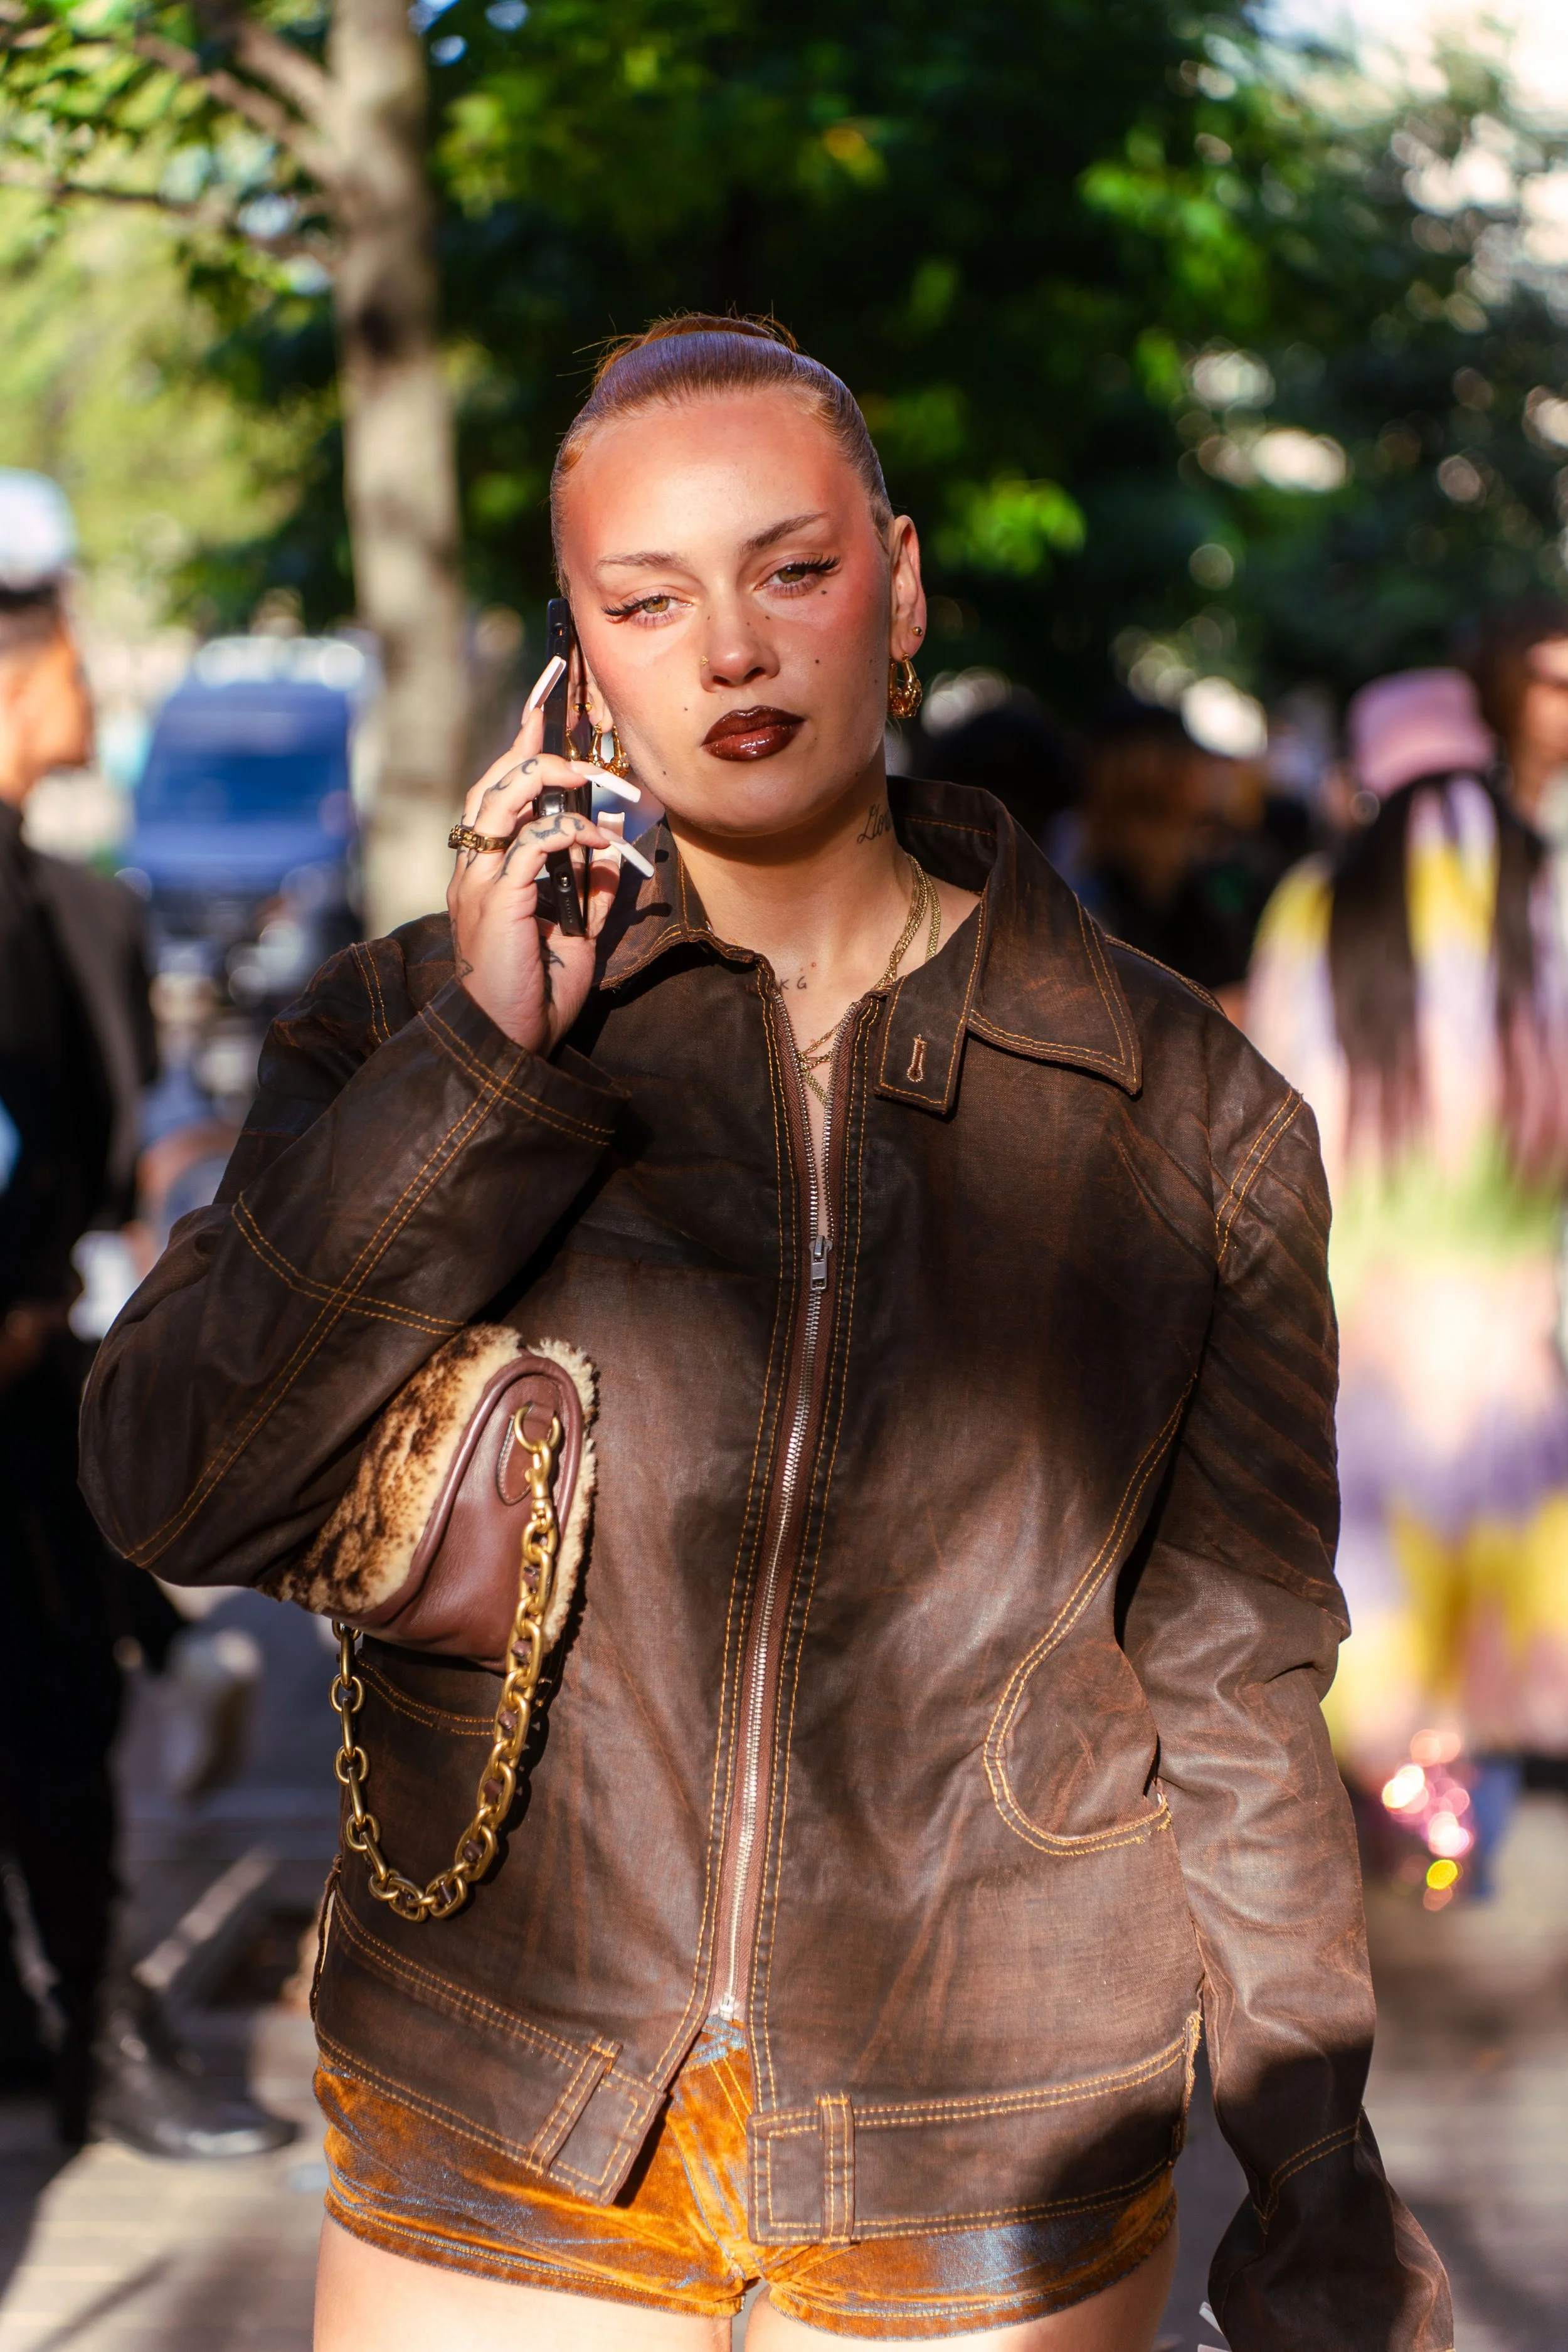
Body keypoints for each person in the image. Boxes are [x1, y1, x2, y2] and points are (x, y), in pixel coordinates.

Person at [82, 318, 1446, 2349]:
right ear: (574, 659)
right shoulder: (408, 1030)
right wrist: (488, 1064)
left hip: (991, 2140)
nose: (728, 650)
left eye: (789, 572)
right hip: (504, 2102)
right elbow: (168, 1478)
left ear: (898, 591)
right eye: (648, 599)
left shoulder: (1184, 1107)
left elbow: (1240, 1686)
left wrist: (1318, 2193)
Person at [0, 470, 292, 2158]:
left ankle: (89, 2015)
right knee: (43, 1710)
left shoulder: (81, 908)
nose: (93, 695)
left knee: (61, 1703)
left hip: (35, 1382)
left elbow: (124, 1151)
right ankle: (81, 2023)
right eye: (69, 663)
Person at [1245, 669, 1568, 1888]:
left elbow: (1276, 1116)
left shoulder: (1315, 910)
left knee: (1380, 1617)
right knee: (1483, 1618)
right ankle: (1460, 1859)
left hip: (1360, 1325)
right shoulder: (1541, 896)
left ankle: (1402, 1842)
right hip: (1507, 1324)